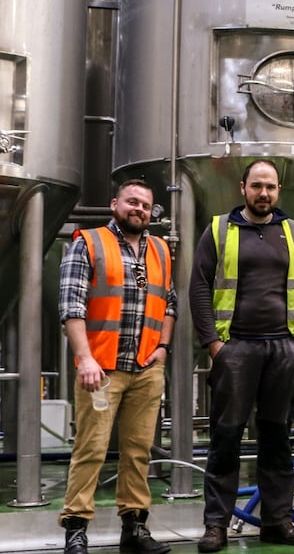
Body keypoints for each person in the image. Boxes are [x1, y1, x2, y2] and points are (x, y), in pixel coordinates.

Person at [190, 159, 294, 552]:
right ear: (243, 188)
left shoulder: (293, 231)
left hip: (283, 349)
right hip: (236, 349)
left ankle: (277, 522)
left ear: (279, 191)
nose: (264, 193)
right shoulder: (219, 229)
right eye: (257, 185)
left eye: (271, 187)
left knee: (276, 439)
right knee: (225, 438)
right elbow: (199, 286)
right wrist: (214, 344)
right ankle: (216, 525)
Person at [57, 178, 176, 554]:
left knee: (138, 451)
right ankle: (76, 529)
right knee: (90, 449)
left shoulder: (160, 249)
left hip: (146, 369)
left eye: (145, 205)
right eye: (132, 202)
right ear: (114, 204)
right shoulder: (88, 243)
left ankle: (134, 529)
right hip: (101, 371)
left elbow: (169, 302)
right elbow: (71, 305)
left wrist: (163, 348)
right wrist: (85, 358)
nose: (138, 209)